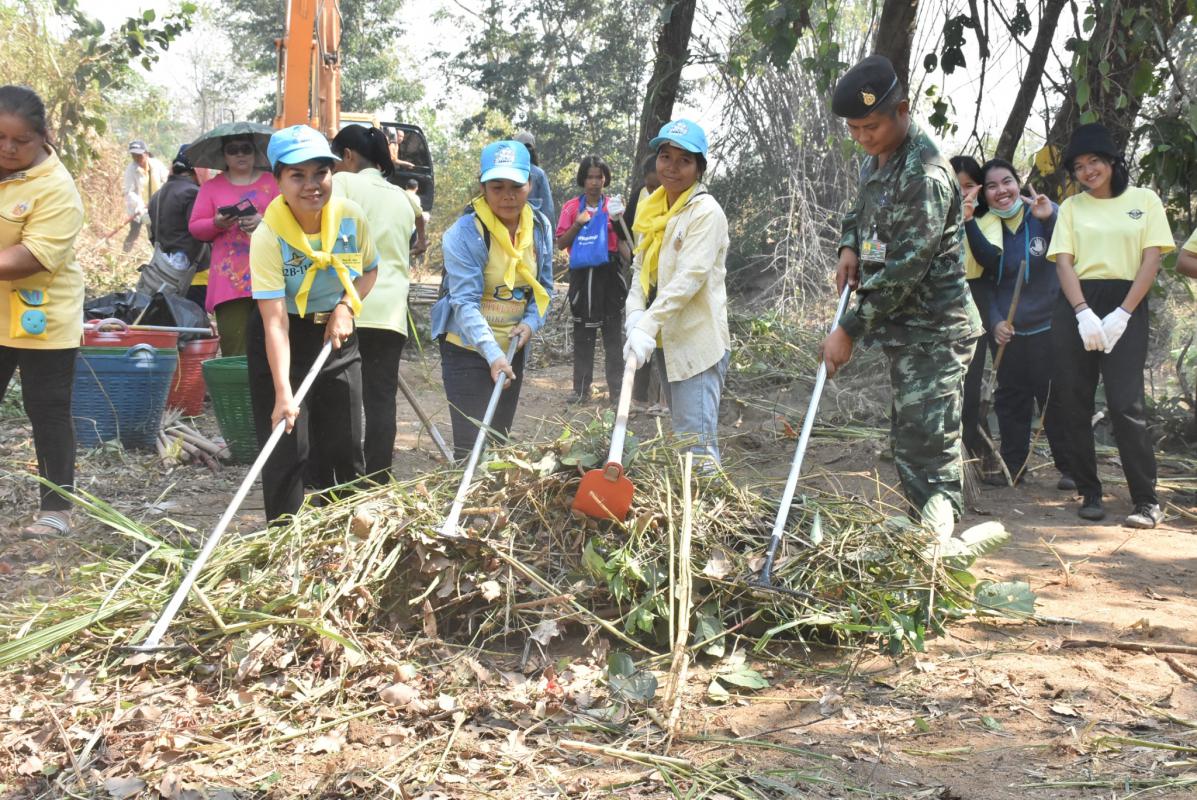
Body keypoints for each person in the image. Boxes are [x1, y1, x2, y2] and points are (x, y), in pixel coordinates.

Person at [820, 55, 982, 539]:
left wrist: (849, 329)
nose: (862, 137)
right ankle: (922, 535)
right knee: (910, 442)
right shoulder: (879, 159)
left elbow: (906, 269)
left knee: (930, 446)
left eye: (870, 126)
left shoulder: (924, 175)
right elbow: (860, 211)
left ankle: (937, 551)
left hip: (936, 330)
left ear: (903, 110)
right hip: (907, 330)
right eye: (854, 129)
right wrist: (850, 246)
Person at [247, 125, 378, 523]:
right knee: (287, 442)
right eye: (297, 175)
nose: (311, 185)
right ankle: (283, 535)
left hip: (337, 333)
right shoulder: (268, 236)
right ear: (278, 180)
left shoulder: (351, 218)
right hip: (284, 335)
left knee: (344, 441)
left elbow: (369, 271)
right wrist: (283, 393)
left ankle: (347, 531)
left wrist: (346, 307)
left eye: (320, 172)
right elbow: (274, 323)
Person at [1047, 122, 1174, 528]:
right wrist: (1082, 311)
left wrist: (1123, 313)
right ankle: (1090, 491)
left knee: (1125, 404)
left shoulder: (1144, 200)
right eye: (1079, 166)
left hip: (1127, 302)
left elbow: (1151, 259)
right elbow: (1063, 263)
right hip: (1077, 304)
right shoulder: (1071, 208)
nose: (1088, 171)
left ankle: (1146, 501)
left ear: (1112, 161)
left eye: (1094, 162)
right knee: (1074, 401)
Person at [431, 140, 554, 459]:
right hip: (468, 348)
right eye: (497, 187)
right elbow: (464, 302)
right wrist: (492, 355)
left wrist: (530, 324)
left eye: (516, 186)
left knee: (497, 446)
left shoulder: (539, 228)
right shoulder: (464, 234)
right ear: (482, 187)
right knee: (472, 449)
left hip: (512, 348)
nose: (508, 196)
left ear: (531, 184)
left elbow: (544, 288)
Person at [0, 85, 85, 537]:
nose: (9, 149)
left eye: (21, 140)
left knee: (47, 408)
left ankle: (57, 509)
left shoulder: (56, 188)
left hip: (43, 315)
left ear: (43, 136)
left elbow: (29, 258)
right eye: (0, 138)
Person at [624, 118, 731, 469]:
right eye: (665, 157)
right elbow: (640, 269)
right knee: (685, 438)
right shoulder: (652, 208)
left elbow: (689, 279)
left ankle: (707, 501)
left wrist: (647, 324)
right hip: (666, 341)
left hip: (696, 342)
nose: (672, 167)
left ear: (699, 168)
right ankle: (695, 496)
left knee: (696, 448)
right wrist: (634, 315)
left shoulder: (705, 213)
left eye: (684, 160)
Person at [963, 158, 1071, 487]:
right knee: (1011, 399)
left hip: (1049, 327)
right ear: (985, 194)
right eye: (992, 186)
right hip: (1009, 331)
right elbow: (984, 283)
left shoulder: (1042, 212)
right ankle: (1014, 465)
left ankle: (1071, 468)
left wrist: (1050, 218)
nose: (1001, 191)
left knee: (1053, 398)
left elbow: (1070, 253)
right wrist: (995, 321)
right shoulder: (986, 226)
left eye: (1007, 181)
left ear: (1018, 183)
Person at [330, 125, 415, 481]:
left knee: (341, 400)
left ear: (348, 155)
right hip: (391, 312)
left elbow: (336, 239)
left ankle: (342, 481)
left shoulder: (343, 183)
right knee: (381, 400)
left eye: (333, 161)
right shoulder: (402, 198)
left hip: (350, 307)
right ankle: (378, 479)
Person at [190, 133, 279, 355]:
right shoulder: (211, 187)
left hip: (270, 276)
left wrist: (264, 221)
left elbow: (292, 220)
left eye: (246, 148)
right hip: (228, 282)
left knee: (272, 346)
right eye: (233, 150)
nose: (240, 154)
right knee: (235, 350)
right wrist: (217, 223)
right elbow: (196, 227)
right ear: (224, 155)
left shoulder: (273, 182)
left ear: (255, 152)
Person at [556, 155, 631, 403]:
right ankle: (580, 391)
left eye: (599, 177)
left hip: (610, 276)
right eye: (590, 177)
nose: (595, 182)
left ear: (605, 179)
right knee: (583, 335)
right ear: (583, 179)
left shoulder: (614, 208)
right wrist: (577, 225)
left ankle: (617, 393)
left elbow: (624, 242)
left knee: (613, 336)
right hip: (583, 278)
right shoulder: (571, 208)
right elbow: (561, 243)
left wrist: (634, 261)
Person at [950, 155, 1000, 479]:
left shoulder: (988, 220)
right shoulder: (932, 217)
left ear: (979, 189)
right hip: (939, 301)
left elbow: (990, 260)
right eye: (956, 187)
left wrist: (968, 220)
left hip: (974, 301)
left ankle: (966, 465)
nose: (962, 193)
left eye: (968, 186)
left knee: (968, 386)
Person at [627, 154, 666, 415]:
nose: (653, 192)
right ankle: (640, 397)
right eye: (650, 186)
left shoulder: (687, 209)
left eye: (657, 186)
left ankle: (665, 400)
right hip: (646, 279)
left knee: (667, 341)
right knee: (641, 339)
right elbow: (630, 240)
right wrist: (634, 312)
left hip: (669, 286)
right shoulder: (642, 200)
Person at [147, 145, 209, 307]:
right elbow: (201, 232)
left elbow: (152, 236)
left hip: (164, 274)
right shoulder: (193, 193)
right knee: (193, 319)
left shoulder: (157, 195)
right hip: (194, 275)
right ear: (198, 170)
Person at [122, 140, 168, 252]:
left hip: (157, 206)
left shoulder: (156, 165)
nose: (137, 158)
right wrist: (140, 205)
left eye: (139, 155)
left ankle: (157, 254)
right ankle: (124, 253)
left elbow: (167, 180)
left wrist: (162, 194)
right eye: (134, 155)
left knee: (154, 233)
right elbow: (129, 191)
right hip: (138, 207)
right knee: (134, 232)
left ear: (146, 154)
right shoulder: (131, 170)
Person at [514, 130, 556, 224]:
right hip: (534, 226)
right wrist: (549, 230)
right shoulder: (539, 173)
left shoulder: (507, 172)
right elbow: (548, 208)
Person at [403, 178, 429, 256]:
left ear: (406, 186)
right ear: (416, 188)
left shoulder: (401, 194)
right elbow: (418, 215)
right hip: (411, 229)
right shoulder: (416, 198)